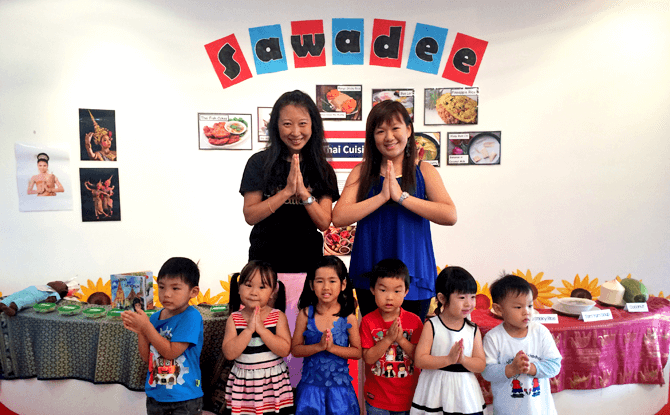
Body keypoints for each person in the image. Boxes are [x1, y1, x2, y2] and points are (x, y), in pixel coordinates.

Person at [332, 100, 456, 320]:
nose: (389, 137)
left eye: (395, 128)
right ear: (372, 137)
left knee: (411, 336)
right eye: (380, 131)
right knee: (374, 336)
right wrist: (382, 197)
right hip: (371, 271)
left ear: (408, 130)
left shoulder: (424, 170)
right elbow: (339, 217)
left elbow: (449, 215)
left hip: (413, 272)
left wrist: (401, 197)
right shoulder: (361, 172)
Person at [240, 90, 339, 273]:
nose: (295, 132)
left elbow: (324, 222)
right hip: (264, 266)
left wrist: (303, 193)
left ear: (313, 125)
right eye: (287, 124)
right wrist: (286, 192)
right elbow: (250, 216)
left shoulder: (323, 169)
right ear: (276, 126)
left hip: (308, 264)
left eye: (303, 124)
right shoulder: (258, 163)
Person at [120, 257, 204, 415]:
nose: (166, 294)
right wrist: (141, 331)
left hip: (185, 398)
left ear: (193, 292)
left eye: (175, 288)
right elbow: (146, 357)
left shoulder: (191, 317)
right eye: (162, 287)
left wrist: (146, 327)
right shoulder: (154, 318)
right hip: (156, 396)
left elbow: (171, 352)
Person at [481, 274, 562, 415]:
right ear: (499, 309)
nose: (526, 312)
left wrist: (531, 368)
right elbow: (487, 372)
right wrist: (512, 369)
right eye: (518, 307)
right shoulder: (493, 338)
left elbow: (555, 365)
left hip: (541, 411)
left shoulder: (540, 332)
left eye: (530, 305)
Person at [221, 260, 294, 415]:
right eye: (248, 285)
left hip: (272, 387)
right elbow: (229, 353)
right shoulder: (234, 319)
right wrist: (248, 330)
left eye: (262, 287)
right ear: (238, 288)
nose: (254, 292)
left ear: (273, 291)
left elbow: (285, 350)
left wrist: (262, 330)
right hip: (244, 388)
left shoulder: (278, 316)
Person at [410, 266, 486, 415]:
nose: (469, 303)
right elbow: (420, 360)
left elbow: (480, 365)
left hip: (465, 394)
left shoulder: (473, 329)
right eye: (462, 297)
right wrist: (448, 359)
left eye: (472, 297)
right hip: (434, 392)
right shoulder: (432, 325)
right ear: (442, 298)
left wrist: (463, 359)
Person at [292, 256, 361, 415]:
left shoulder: (348, 316)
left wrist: (332, 348)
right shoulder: (305, 314)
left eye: (332, 281)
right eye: (319, 281)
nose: (326, 287)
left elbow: (357, 352)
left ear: (343, 284)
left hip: (340, 393)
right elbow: (295, 350)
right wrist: (319, 346)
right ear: (311, 285)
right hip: (310, 391)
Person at [359, 259, 424, 415]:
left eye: (396, 291)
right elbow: (368, 358)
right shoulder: (368, 321)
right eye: (383, 290)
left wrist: (401, 339)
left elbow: (420, 358)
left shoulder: (414, 321)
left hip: (408, 398)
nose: (389, 297)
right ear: (372, 289)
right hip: (377, 398)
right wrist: (388, 339)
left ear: (406, 291)